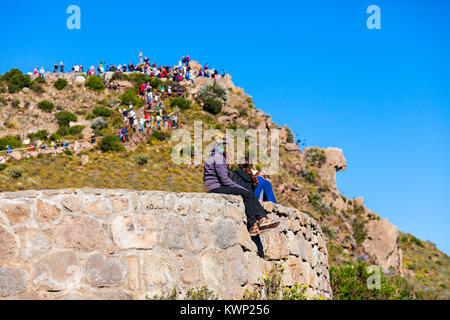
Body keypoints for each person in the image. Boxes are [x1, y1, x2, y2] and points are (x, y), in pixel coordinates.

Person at [203, 135, 279, 236]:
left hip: (214, 186)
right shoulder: (219, 157)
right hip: (216, 187)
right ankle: (262, 219)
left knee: (246, 193)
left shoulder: (215, 156)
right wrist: (239, 187)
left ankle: (254, 225)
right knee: (246, 193)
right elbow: (225, 180)